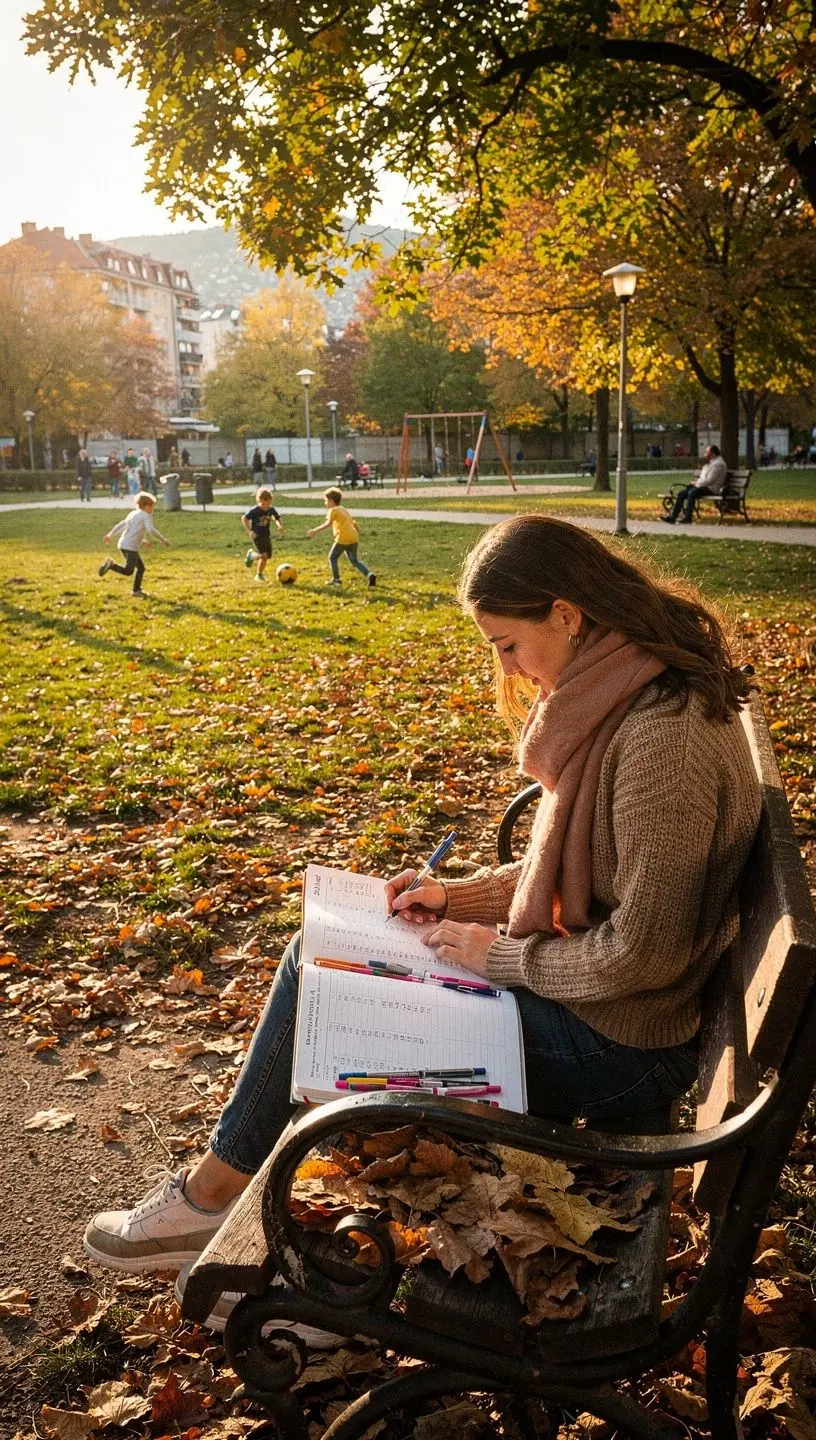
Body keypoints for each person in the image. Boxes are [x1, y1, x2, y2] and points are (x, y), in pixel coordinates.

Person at [82, 514, 759, 1333]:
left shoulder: (660, 737)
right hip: (602, 1008)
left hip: (621, 1048)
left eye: (508, 644)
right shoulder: (624, 691)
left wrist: (497, 957)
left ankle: (278, 1250)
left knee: (342, 1011)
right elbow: (591, 876)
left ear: (566, 613)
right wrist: (454, 899)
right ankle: (237, 1212)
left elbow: (642, 953)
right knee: (320, 959)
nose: (506, 668)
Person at [98, 492, 170, 597]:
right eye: (151, 506)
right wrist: (163, 540)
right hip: (130, 548)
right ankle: (111, 566)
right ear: (145, 505)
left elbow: (124, 526)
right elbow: (151, 530)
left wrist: (110, 534)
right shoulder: (146, 516)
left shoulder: (133, 514)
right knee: (128, 571)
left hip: (123, 544)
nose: (152, 509)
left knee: (141, 568)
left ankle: (136, 590)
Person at [307, 487, 376, 587]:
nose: (325, 503)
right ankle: (370, 575)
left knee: (332, 557)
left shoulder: (333, 510)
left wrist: (314, 531)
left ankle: (336, 580)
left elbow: (328, 524)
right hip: (353, 538)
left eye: (326, 501)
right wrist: (358, 532)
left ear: (331, 501)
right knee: (355, 561)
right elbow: (353, 522)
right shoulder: (343, 509)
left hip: (342, 539)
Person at [662, 443, 728, 524]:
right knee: (681, 493)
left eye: (707, 452)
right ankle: (673, 516)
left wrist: (696, 483)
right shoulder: (713, 462)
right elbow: (706, 479)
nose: (705, 454)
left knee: (692, 492)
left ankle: (688, 517)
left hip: (712, 488)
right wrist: (696, 483)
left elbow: (709, 481)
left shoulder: (718, 464)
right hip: (705, 486)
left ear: (713, 454)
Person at [241, 486, 284, 582]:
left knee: (268, 556)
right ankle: (259, 575)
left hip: (266, 535)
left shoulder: (271, 509)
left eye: (268, 503)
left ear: (271, 500)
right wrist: (250, 531)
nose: (266, 506)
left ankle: (252, 555)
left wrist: (280, 525)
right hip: (257, 536)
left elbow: (277, 518)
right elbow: (244, 518)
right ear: (259, 500)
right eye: (264, 504)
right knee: (264, 555)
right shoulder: (255, 510)